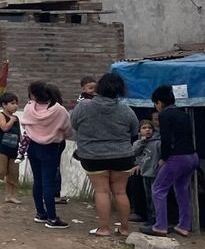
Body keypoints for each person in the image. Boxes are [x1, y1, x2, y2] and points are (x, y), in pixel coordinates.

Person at [70, 71, 139, 237]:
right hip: (122, 156)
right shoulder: (126, 109)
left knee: (101, 191)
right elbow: (134, 130)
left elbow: (74, 125)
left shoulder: (83, 107)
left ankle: (104, 228)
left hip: (92, 156)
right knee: (121, 192)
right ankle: (124, 228)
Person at [20, 81, 73, 229]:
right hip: (51, 148)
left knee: (38, 181)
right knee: (48, 182)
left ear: (34, 94)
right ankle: (52, 218)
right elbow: (67, 129)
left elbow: (24, 124)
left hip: (32, 146)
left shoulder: (29, 107)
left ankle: (41, 213)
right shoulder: (59, 110)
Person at [145, 85, 196, 237]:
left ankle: (160, 226)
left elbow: (166, 140)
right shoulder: (183, 114)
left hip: (177, 158)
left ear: (159, 102)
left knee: (158, 189)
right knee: (181, 190)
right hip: (192, 157)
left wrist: (163, 158)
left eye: (155, 104)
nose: (156, 107)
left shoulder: (165, 115)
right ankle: (184, 226)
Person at [0, 92, 22, 204]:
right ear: (4, 105)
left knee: (13, 173)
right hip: (0, 149)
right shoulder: (0, 116)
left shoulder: (16, 118)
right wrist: (11, 120)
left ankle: (10, 195)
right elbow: (4, 128)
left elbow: (18, 133)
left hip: (13, 149)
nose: (15, 106)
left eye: (16, 103)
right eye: (12, 103)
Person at [129, 120, 160, 226]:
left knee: (154, 197)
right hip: (145, 173)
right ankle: (149, 218)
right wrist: (142, 141)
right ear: (139, 131)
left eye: (149, 128)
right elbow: (134, 152)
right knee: (148, 197)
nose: (147, 130)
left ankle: (155, 219)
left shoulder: (157, 142)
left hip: (155, 173)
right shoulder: (138, 143)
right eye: (144, 128)